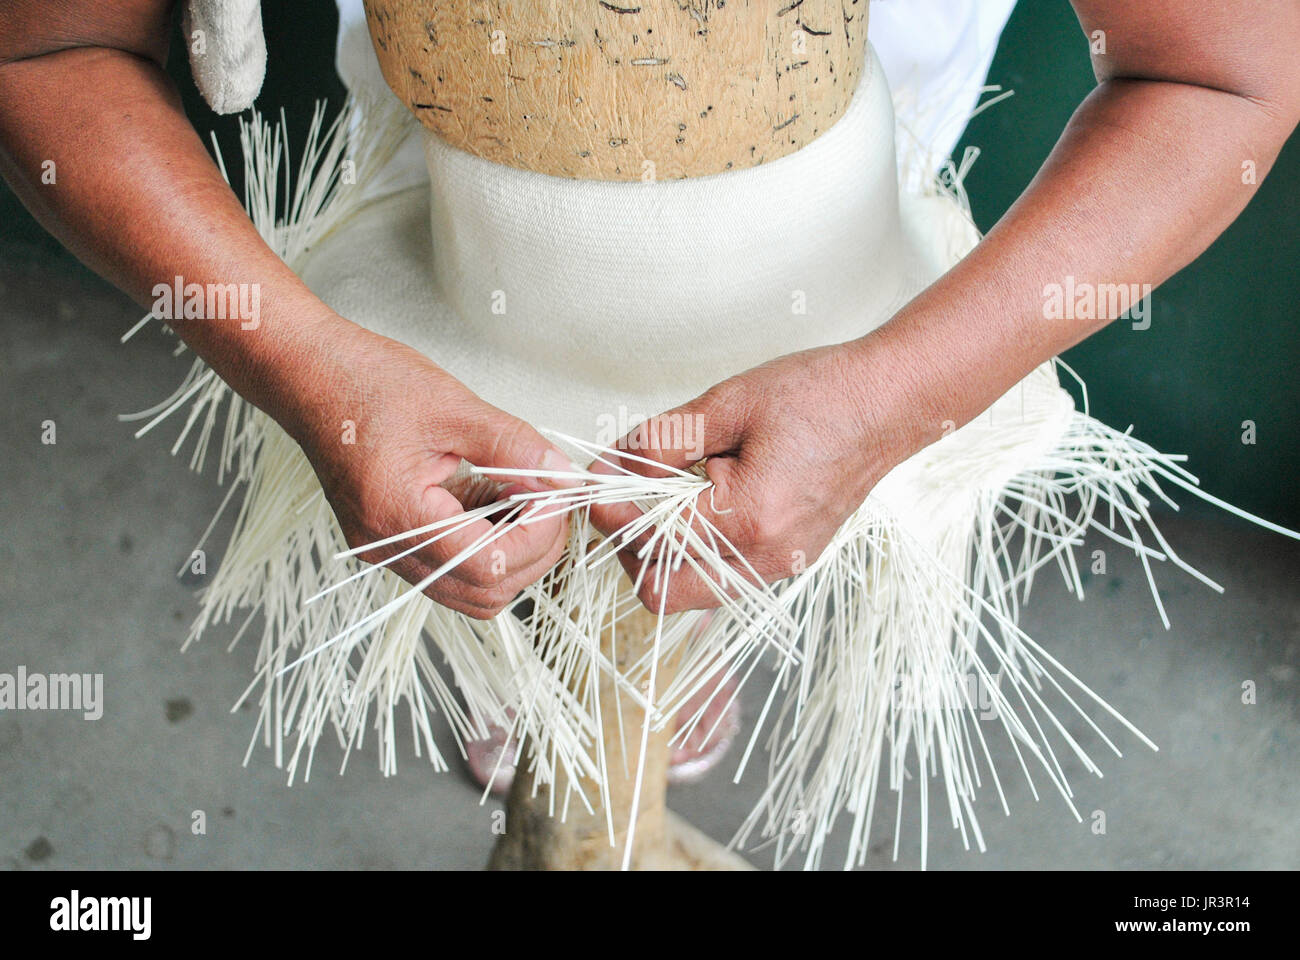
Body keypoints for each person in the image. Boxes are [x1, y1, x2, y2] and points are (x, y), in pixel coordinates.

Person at [2, 1, 1297, 869]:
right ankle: (562, 694)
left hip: (834, 217)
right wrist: (319, 373)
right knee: (532, 558)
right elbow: (49, 48)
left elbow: (1227, 65)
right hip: (452, 221)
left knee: (717, 520)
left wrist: (891, 398)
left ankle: (648, 668)